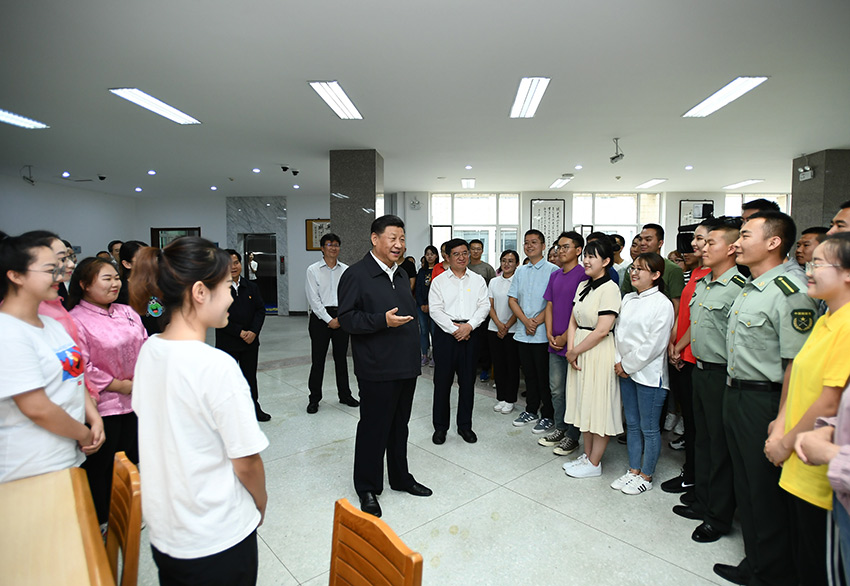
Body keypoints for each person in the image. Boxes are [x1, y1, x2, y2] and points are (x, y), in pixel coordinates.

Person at [130, 237, 268, 584]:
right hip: (215, 535)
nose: (232, 296)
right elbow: (246, 460)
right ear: (199, 292)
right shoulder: (215, 366)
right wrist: (260, 504)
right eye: (225, 287)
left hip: (167, 530)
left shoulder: (150, 349)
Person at [713, 211, 817, 586]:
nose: (736, 244)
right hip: (737, 392)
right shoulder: (751, 286)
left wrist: (783, 419)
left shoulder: (791, 291)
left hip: (766, 400)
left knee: (764, 489)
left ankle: (771, 570)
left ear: (774, 242)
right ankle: (755, 562)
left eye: (744, 235)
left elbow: (796, 365)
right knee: (747, 483)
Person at [764, 233, 850, 584]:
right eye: (809, 262)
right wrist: (779, 426)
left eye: (818, 263)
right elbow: (796, 375)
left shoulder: (847, 326)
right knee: (802, 556)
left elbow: (830, 399)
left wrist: (785, 442)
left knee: (821, 566)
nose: (808, 269)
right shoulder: (826, 319)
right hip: (796, 452)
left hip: (821, 468)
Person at [337, 215, 431, 518]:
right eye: (392, 238)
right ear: (375, 239)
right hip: (376, 366)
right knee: (374, 428)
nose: (398, 244)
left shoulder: (402, 274)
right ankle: (367, 486)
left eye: (402, 239)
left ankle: (400, 477)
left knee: (399, 426)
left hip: (405, 364)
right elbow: (348, 319)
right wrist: (382, 321)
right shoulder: (356, 274)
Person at [0, 232, 104, 484]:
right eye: (49, 269)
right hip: (29, 465)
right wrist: (83, 433)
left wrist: (93, 416)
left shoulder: (50, 324)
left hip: (63, 454)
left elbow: (73, 375)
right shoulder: (8, 333)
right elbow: (37, 409)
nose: (60, 275)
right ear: (15, 275)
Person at [672, 218, 744, 544]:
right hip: (698, 368)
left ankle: (718, 515)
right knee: (700, 439)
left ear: (731, 248)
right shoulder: (704, 284)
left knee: (719, 446)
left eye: (711, 243)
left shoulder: (738, 287)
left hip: (720, 373)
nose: (701, 248)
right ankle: (702, 498)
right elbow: (696, 325)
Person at [68, 257, 147, 527]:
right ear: (84, 284)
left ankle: (130, 512)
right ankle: (103, 520)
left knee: (132, 460)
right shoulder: (76, 320)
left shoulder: (127, 311)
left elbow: (146, 345)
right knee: (102, 467)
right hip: (104, 405)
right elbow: (82, 364)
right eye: (107, 278)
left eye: (116, 278)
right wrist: (120, 385)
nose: (115, 283)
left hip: (136, 399)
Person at [612, 252, 674, 494]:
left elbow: (654, 344)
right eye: (633, 268)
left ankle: (646, 476)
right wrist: (620, 363)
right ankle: (633, 470)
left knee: (649, 428)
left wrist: (627, 366)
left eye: (642, 269)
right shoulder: (627, 298)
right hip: (625, 370)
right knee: (633, 425)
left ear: (656, 275)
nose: (634, 272)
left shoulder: (663, 304)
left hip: (649, 375)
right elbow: (618, 334)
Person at [562, 238, 622, 478]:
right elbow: (573, 320)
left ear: (606, 261)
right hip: (578, 350)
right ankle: (587, 457)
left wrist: (574, 351)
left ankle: (595, 463)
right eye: (585, 255)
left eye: (592, 256)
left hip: (597, 352)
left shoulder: (610, 289)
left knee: (598, 407)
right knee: (583, 404)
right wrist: (570, 349)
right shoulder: (584, 285)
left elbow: (602, 329)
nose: (586, 260)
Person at [662, 223, 713, 494]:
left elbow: (700, 319)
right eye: (694, 239)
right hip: (681, 353)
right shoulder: (694, 273)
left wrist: (680, 346)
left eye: (701, 239)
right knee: (692, 424)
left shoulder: (717, 277)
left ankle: (695, 477)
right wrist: (673, 342)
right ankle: (690, 472)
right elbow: (682, 313)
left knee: (697, 425)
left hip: (694, 357)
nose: (694, 244)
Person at [428, 238, 490, 445]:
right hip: (446, 337)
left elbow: (484, 306)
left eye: (465, 253)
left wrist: (469, 326)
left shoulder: (478, 280)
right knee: (442, 383)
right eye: (457, 254)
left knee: (467, 383)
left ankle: (465, 426)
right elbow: (435, 310)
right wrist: (456, 329)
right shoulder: (439, 281)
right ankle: (440, 427)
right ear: (447, 257)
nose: (462, 257)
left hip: (471, 335)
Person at [539, 231, 588, 457]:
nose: (560, 250)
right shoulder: (555, 275)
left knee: (574, 391)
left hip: (574, 343)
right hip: (554, 341)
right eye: (558, 246)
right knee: (557, 390)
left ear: (578, 250)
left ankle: (573, 435)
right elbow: (549, 305)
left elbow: (581, 312)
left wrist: (566, 338)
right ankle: (560, 428)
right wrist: (550, 333)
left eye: (565, 247)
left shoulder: (584, 275)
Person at [508, 229, 559, 434]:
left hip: (542, 333)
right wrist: (525, 321)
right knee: (528, 375)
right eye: (526, 242)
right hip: (523, 332)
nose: (530, 246)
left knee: (543, 376)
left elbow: (552, 302)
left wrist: (536, 322)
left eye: (534, 242)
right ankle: (530, 410)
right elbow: (512, 299)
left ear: (544, 246)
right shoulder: (520, 271)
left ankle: (548, 415)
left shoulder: (553, 270)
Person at [305, 234, 359, 414]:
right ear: (322, 248)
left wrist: (340, 318)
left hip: (341, 316)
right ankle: (314, 399)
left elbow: (350, 296)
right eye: (329, 245)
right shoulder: (313, 270)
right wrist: (329, 320)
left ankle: (345, 395)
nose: (333, 248)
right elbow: (314, 300)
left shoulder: (346, 269)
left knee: (341, 359)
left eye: (336, 245)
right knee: (318, 360)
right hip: (320, 319)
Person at [214, 250, 270, 421]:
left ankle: (254, 408)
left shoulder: (251, 286)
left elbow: (260, 310)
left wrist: (253, 331)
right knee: (227, 380)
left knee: (250, 377)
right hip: (228, 342)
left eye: (236, 262)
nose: (234, 267)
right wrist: (239, 331)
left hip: (250, 342)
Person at [621, 224, 685, 315]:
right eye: (640, 239)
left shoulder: (673, 269)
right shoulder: (632, 268)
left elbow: (677, 304)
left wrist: (672, 327)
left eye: (648, 240)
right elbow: (627, 296)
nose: (642, 243)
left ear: (660, 243)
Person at [489, 250, 520, 415]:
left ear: (517, 264)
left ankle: (510, 399)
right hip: (494, 329)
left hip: (513, 330)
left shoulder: (519, 281)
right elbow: (490, 305)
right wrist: (499, 325)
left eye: (511, 261)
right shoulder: (494, 281)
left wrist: (506, 326)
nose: (507, 264)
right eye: (504, 260)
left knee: (511, 366)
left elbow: (519, 307)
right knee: (499, 365)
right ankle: (501, 397)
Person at [468, 239, 497, 382]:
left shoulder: (487, 268)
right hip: (467, 311)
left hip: (483, 311)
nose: (475, 251)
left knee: (484, 342)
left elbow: (493, 289)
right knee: (470, 342)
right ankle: (470, 367)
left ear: (482, 250)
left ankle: (485, 368)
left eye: (478, 249)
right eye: (473, 249)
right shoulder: (464, 266)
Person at [415, 245, 439, 366]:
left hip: (435, 307)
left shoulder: (439, 270)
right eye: (427, 254)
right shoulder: (421, 271)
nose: (429, 256)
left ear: (436, 256)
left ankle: (435, 356)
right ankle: (424, 355)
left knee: (434, 332)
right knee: (423, 331)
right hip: (421, 306)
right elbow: (418, 289)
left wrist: (431, 305)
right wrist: (422, 304)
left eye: (432, 254)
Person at [115, 240, 147, 305]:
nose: (149, 263)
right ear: (127, 264)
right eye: (142, 260)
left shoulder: (158, 284)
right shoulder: (120, 291)